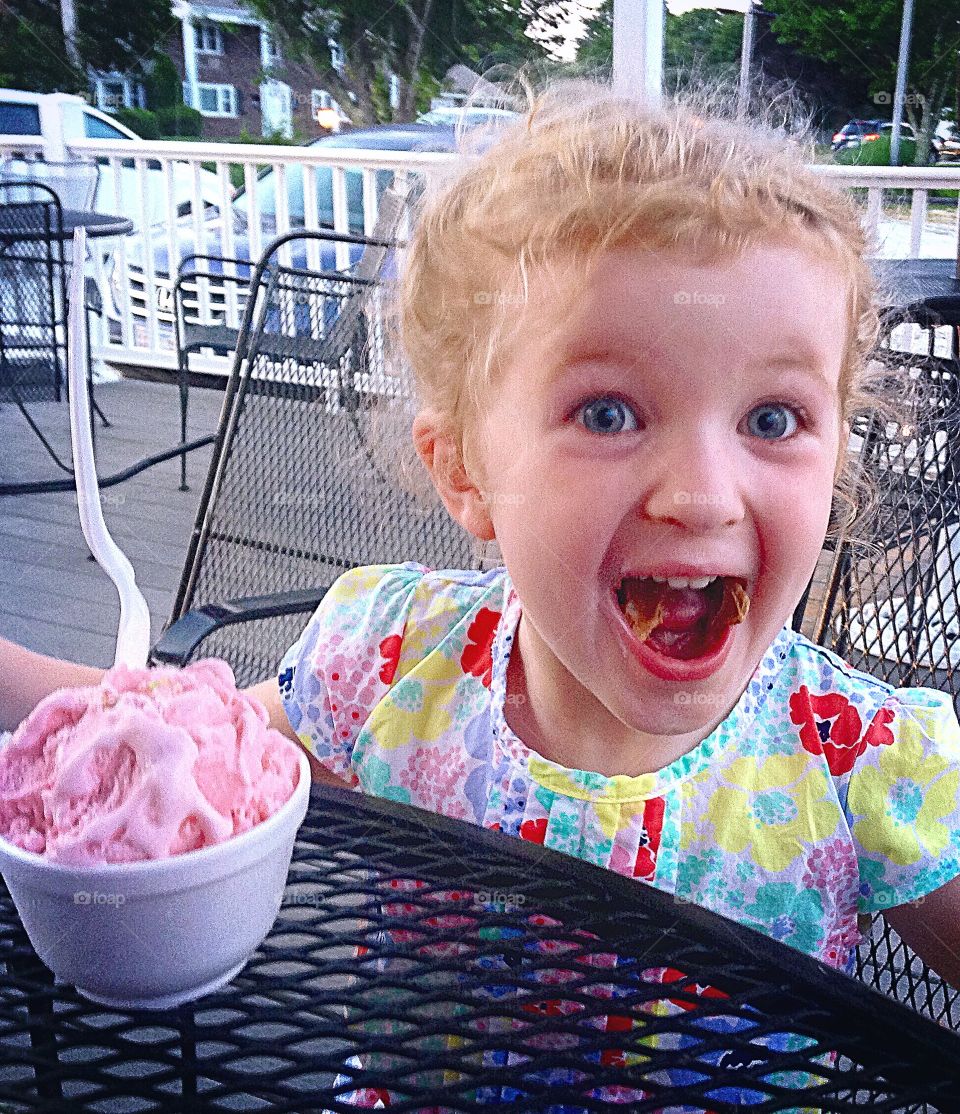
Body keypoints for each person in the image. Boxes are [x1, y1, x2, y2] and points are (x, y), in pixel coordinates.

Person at [2, 80, 960, 1102]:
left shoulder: (860, 756)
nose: (701, 495)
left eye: (772, 419)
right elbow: (175, 749)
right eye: (608, 412)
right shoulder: (392, 662)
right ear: (465, 470)